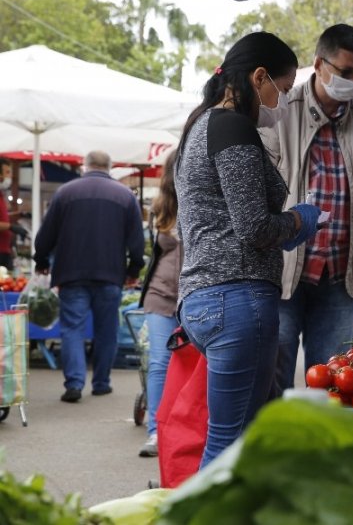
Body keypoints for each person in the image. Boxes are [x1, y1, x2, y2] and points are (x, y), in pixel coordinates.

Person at [174, 31, 320, 467]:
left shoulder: (200, 126)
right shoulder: (232, 126)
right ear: (260, 78)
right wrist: (299, 220)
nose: (283, 101)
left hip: (205, 299)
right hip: (235, 297)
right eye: (284, 88)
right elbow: (253, 227)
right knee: (232, 445)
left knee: (233, 438)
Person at [260, 24, 353, 394]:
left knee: (333, 384)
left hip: (341, 276)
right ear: (319, 64)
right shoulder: (280, 111)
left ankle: (320, 451)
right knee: (274, 377)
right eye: (345, 72)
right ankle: (274, 450)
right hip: (284, 272)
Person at [33, 150, 145, 402]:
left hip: (71, 273)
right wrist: (133, 270)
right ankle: (101, 383)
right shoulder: (125, 196)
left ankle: (74, 383)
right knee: (107, 330)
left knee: (72, 328)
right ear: (110, 167)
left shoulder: (65, 193)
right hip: (110, 274)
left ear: (85, 166)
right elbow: (137, 242)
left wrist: (41, 260)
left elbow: (45, 235)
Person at [137, 151, 181, 458]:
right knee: (159, 364)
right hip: (161, 293)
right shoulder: (163, 205)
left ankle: (183, 427)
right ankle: (155, 432)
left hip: (197, 295)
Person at [0, 158, 27, 271]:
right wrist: (11, 227)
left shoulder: (1, 195)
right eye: (7, 172)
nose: (9, 177)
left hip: (5, 251)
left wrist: (17, 215)